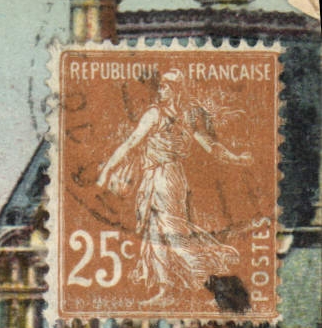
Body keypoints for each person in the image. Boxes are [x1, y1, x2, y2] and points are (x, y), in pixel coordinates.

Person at [96, 68, 253, 306]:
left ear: (175, 90)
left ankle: (211, 285)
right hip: (166, 176)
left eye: (166, 87)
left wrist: (107, 171)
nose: (161, 90)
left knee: (172, 233)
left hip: (163, 177)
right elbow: (210, 145)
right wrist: (236, 158)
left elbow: (130, 144)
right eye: (161, 86)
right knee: (155, 233)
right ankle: (167, 289)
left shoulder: (157, 114)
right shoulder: (185, 115)